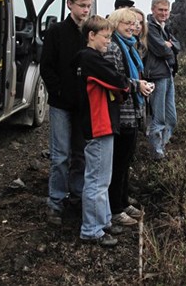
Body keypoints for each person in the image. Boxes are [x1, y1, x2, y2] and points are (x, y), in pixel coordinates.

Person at [73, 15, 129, 247]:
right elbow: (119, 81)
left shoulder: (89, 58)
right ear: (91, 35)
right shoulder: (90, 58)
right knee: (96, 179)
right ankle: (91, 229)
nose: (108, 41)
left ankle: (103, 220)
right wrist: (123, 86)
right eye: (105, 37)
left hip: (102, 124)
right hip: (98, 124)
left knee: (102, 178)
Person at [40, 0, 93, 225]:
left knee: (80, 154)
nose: (86, 10)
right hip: (62, 104)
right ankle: (56, 202)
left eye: (89, 6)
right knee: (60, 155)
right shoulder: (56, 31)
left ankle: (77, 196)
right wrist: (58, 91)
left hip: (83, 104)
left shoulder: (90, 33)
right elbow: (46, 66)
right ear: (70, 4)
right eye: (82, 5)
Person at [104, 9, 153, 227]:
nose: (132, 27)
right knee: (118, 162)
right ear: (116, 23)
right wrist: (137, 85)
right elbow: (115, 79)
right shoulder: (113, 48)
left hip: (131, 111)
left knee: (126, 160)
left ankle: (122, 202)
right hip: (121, 112)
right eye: (127, 23)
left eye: (134, 23)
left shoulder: (128, 46)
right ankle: (115, 209)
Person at [143, 0, 180, 159]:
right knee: (158, 118)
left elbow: (178, 45)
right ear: (153, 10)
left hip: (168, 73)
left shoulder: (165, 27)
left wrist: (170, 45)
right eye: (160, 10)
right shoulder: (149, 28)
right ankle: (156, 153)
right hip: (157, 75)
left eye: (166, 10)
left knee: (171, 119)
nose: (164, 13)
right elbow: (162, 50)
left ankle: (161, 148)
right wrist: (168, 46)